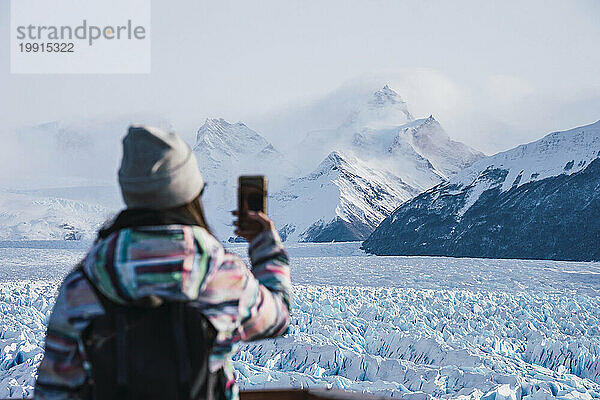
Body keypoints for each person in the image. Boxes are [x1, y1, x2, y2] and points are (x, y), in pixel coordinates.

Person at [34, 126, 292, 400]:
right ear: (191, 193)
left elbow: (54, 390)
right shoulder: (223, 275)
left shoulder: (83, 285)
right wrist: (264, 245)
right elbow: (278, 318)